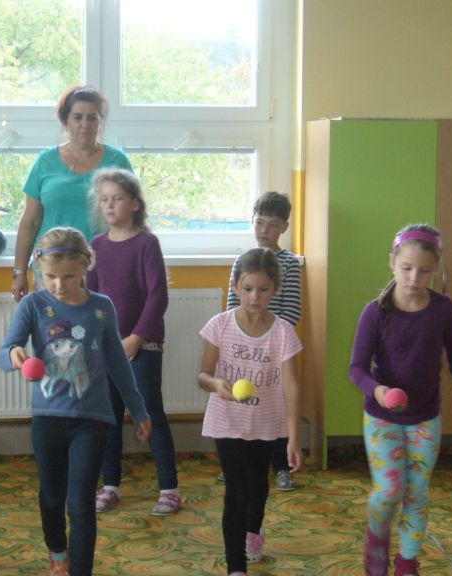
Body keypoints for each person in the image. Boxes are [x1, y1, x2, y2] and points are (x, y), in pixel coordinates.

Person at [0, 227, 151, 576]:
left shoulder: (101, 307)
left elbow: (117, 362)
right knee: (52, 496)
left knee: (81, 503)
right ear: (39, 269)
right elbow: (3, 354)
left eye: (68, 276)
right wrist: (15, 354)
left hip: (92, 419)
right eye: (50, 276)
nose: (58, 285)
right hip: (48, 418)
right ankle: (57, 551)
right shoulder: (33, 304)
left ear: (85, 266)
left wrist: (138, 408)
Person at [349, 223, 452, 576]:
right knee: (389, 490)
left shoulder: (442, 310)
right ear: (392, 262)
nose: (414, 278)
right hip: (382, 418)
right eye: (406, 268)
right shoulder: (375, 312)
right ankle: (377, 538)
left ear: (436, 269)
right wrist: (377, 390)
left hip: (425, 418)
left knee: (417, 493)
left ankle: (407, 561)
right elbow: (356, 369)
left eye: (424, 270)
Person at [198, 248, 303, 576]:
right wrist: (217, 384)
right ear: (235, 287)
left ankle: (253, 534)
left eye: (263, 289)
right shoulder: (220, 325)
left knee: (258, 483)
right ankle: (236, 567)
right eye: (247, 288)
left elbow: (292, 387)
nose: (254, 297)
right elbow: (203, 375)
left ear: (276, 289)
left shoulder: (283, 331)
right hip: (227, 421)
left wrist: (294, 439)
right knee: (236, 489)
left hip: (266, 424)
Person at [85, 168, 180, 516]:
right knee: (108, 415)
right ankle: (110, 485)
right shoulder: (96, 246)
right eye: (104, 200)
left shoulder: (146, 244)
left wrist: (136, 338)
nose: (110, 205)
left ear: (135, 204)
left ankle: (169, 488)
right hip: (107, 348)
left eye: (118, 199)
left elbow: (158, 296)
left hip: (143, 345)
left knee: (149, 412)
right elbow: (91, 298)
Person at [11, 85, 133, 302]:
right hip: (52, 270)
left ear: (100, 122)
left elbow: (131, 221)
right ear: (65, 120)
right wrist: (19, 272)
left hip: (104, 268)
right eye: (77, 117)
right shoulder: (45, 162)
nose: (85, 124)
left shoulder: (118, 162)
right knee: (53, 324)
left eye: (92, 118)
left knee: (101, 323)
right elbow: (30, 221)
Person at [223, 191, 301, 491]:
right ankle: (238, 461)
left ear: (284, 227)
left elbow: (292, 310)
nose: (264, 230)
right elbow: (231, 309)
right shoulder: (242, 262)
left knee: (276, 405)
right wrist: (244, 340)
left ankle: (281, 466)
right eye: (259, 222)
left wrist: (270, 340)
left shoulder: (289, 264)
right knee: (243, 404)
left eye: (273, 224)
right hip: (243, 351)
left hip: (275, 350)